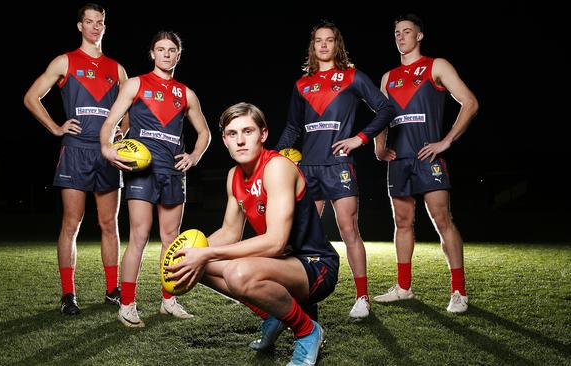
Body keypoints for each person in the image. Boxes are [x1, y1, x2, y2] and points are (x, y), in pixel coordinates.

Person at [166, 102, 339, 366]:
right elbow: (229, 232)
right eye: (233, 134)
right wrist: (187, 254)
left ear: (263, 134)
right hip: (280, 264)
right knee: (194, 265)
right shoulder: (234, 175)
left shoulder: (277, 167)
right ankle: (273, 315)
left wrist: (206, 252)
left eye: (248, 131)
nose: (241, 141)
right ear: (224, 140)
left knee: (237, 273)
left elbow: (275, 242)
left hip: (315, 266)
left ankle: (308, 331)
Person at [275, 21, 394, 320]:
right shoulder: (302, 84)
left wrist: (360, 138)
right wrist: (274, 159)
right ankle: (299, 293)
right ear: (313, 46)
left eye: (329, 40)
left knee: (348, 228)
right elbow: (292, 127)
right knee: (301, 234)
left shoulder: (352, 77)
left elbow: (386, 109)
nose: (324, 45)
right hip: (308, 168)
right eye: (318, 41)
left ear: (337, 45)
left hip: (339, 165)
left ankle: (362, 297)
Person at [23, 3, 128, 315]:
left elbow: (127, 114)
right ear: (80, 26)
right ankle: (68, 295)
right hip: (75, 151)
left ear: (105, 27)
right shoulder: (65, 61)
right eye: (90, 22)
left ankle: (112, 290)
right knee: (72, 222)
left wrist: (122, 133)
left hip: (106, 154)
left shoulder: (117, 69)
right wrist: (56, 127)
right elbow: (31, 97)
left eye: (101, 22)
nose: (95, 27)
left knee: (109, 224)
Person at [100, 31, 211, 327]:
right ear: (152, 53)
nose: (165, 54)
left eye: (171, 50)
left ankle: (168, 300)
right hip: (142, 172)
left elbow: (205, 133)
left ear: (178, 55)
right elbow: (110, 123)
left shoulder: (186, 94)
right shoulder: (135, 84)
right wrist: (107, 150)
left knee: (170, 240)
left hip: (173, 173)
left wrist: (194, 157)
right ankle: (127, 304)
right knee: (138, 236)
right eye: (160, 49)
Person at [373, 13, 479, 313]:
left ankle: (459, 291)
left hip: (428, 157)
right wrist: (379, 148)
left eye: (407, 32)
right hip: (399, 159)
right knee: (402, 223)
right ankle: (404, 287)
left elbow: (470, 102)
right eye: (397, 32)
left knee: (442, 221)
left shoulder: (437, 65)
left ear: (419, 36)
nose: (401, 36)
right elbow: (381, 118)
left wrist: (446, 141)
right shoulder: (388, 77)